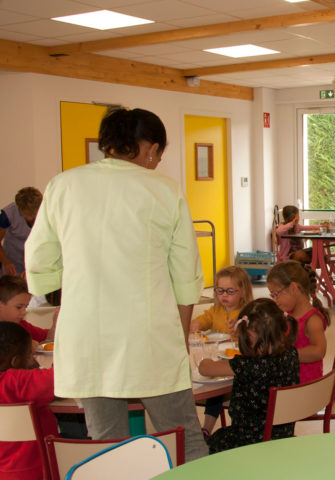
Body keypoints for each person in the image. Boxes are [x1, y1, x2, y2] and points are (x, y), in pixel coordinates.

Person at [24, 108, 207, 461]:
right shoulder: (164, 191)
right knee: (183, 438)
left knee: (108, 448)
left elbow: (39, 262)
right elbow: (186, 278)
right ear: (151, 149)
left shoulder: (63, 184)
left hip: (87, 337)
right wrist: (179, 342)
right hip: (150, 337)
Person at [199, 299, 299, 453]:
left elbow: (205, 369)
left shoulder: (248, 365)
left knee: (204, 446)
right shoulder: (292, 353)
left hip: (246, 442)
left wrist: (205, 359)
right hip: (282, 435)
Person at [189, 266, 253, 439]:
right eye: (220, 290)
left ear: (243, 291)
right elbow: (204, 319)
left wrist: (239, 331)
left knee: (216, 391)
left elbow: (251, 339)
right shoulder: (216, 310)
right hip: (218, 361)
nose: (224, 295)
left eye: (230, 291)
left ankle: (230, 429)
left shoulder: (248, 312)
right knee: (213, 386)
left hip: (238, 367)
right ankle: (206, 429)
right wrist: (197, 324)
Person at [0, 321, 57, 480]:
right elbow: (62, 377)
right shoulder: (17, 382)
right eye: (28, 357)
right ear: (16, 362)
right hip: (40, 470)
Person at [267, 260, 329, 384]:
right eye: (272, 295)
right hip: (289, 379)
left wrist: (286, 355)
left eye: (276, 294)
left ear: (293, 288)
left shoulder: (312, 319)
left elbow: (319, 351)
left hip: (303, 387)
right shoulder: (289, 315)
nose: (275, 300)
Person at [0, 275, 56, 345]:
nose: (24, 312)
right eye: (19, 307)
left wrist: (55, 324)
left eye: (26, 307)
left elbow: (46, 337)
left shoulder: (21, 325)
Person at [0, 187, 42, 275]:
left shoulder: (48, 211)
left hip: (37, 260)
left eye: (34, 214)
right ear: (19, 208)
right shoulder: (6, 214)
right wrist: (6, 262)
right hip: (12, 262)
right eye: (27, 214)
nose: (31, 218)